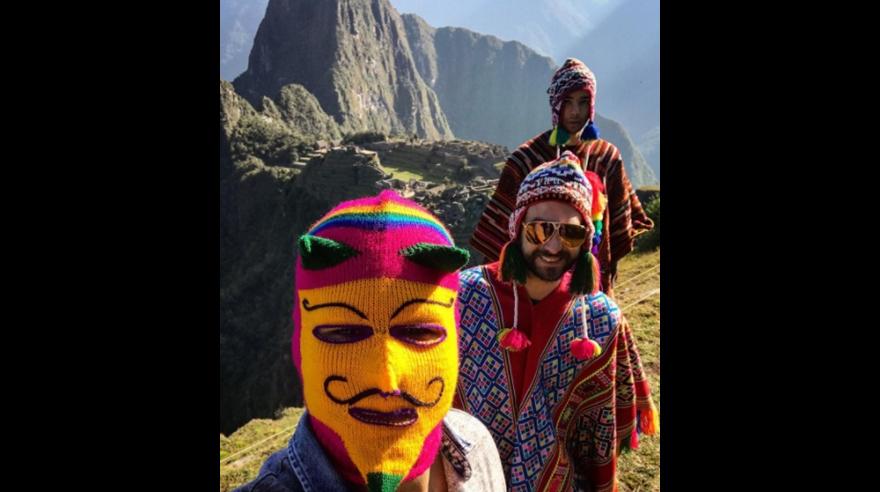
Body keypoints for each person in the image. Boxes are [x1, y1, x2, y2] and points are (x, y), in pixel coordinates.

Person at [235, 190, 506, 492]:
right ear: (301, 348)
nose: (385, 379)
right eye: (342, 333)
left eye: (419, 332)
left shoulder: (477, 445)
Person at [454, 153, 658, 491]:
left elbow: (600, 433)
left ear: (586, 239)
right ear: (517, 227)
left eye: (571, 234)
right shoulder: (465, 297)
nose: (552, 245)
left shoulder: (599, 320)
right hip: (466, 478)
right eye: (539, 229)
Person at [470, 58, 653, 297]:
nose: (576, 112)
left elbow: (619, 226)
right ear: (555, 105)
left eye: (583, 102)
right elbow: (500, 237)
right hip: (533, 285)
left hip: (590, 281)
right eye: (567, 102)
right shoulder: (526, 160)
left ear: (593, 104)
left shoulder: (607, 158)